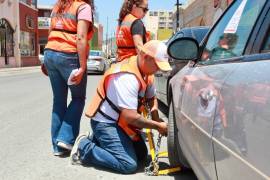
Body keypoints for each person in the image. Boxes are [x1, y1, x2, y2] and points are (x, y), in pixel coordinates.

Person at [70, 40, 171, 174]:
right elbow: (130, 117)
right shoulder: (127, 77)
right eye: (157, 65)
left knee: (141, 154)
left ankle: (97, 140)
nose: (158, 70)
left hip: (121, 123)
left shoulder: (146, 72)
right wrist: (157, 126)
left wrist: (156, 118)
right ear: (146, 57)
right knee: (128, 164)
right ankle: (84, 148)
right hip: (106, 124)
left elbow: (151, 97)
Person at [43, 0, 95, 156]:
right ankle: (65, 139)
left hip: (50, 52)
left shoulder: (58, 5)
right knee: (78, 98)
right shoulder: (83, 7)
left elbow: (51, 31)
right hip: (69, 55)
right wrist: (83, 66)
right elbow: (80, 37)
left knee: (58, 100)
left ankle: (57, 147)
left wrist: (46, 59)